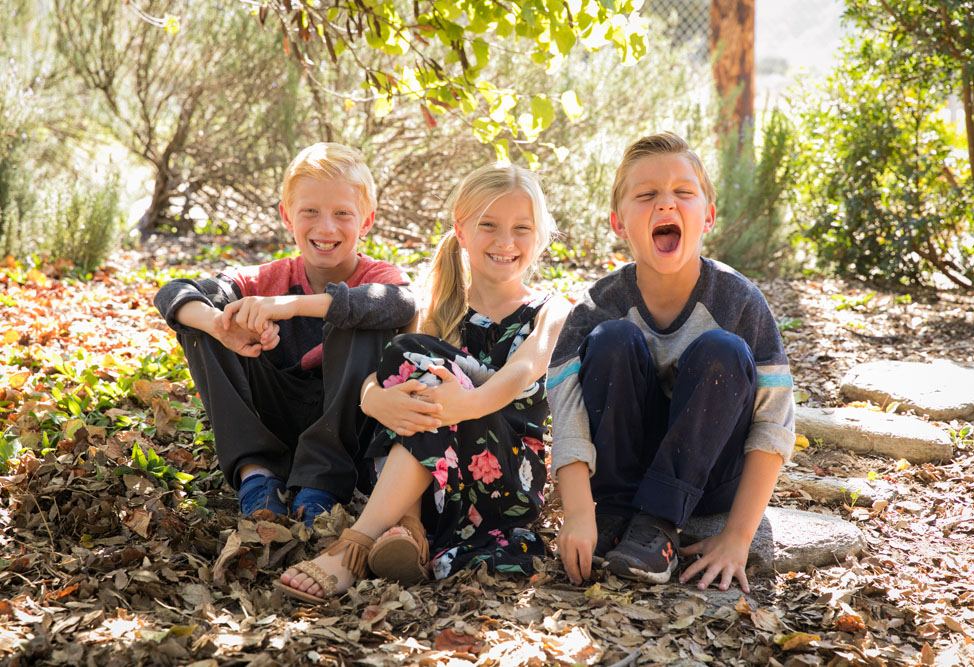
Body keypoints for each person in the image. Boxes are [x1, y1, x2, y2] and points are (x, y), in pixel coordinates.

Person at [275, 163, 571, 603]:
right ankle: (410, 526)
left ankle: (356, 544)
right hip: (434, 489)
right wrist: (376, 401)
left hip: (499, 480)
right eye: (488, 225)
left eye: (521, 228)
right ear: (462, 231)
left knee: (434, 375)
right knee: (413, 356)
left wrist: (458, 406)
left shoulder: (550, 310)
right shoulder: (438, 306)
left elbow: (520, 375)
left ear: (540, 236)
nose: (505, 241)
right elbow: (379, 375)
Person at [547, 132, 795, 593]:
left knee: (723, 350)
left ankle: (657, 525)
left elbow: (774, 423)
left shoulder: (738, 300)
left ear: (708, 217)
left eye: (683, 193)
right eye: (646, 195)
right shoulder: (599, 305)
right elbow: (568, 413)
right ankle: (616, 516)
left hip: (708, 480)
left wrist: (738, 537)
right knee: (612, 340)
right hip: (619, 473)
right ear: (619, 223)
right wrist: (579, 515)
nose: (666, 205)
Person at [154, 143, 418, 526]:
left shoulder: (378, 279)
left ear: (366, 221)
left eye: (342, 214)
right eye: (309, 211)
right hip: (274, 417)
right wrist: (219, 326)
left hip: (345, 427)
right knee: (205, 317)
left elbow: (401, 303)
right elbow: (172, 292)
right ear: (287, 216)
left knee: (361, 316)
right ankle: (257, 476)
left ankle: (322, 485)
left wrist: (290, 305)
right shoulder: (265, 278)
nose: (325, 227)